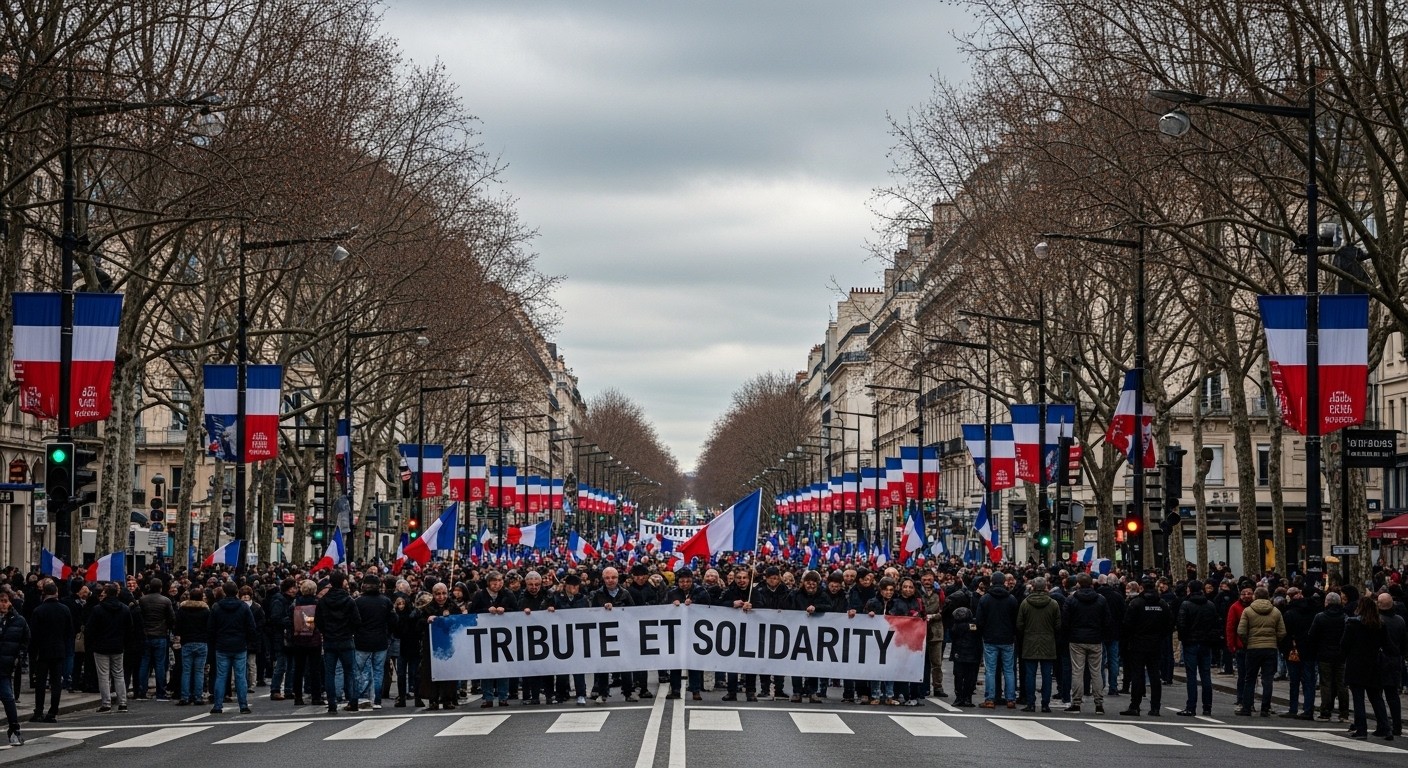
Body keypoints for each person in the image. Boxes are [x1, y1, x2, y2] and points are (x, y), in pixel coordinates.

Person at [1341, 595, 1397, 740]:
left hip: (1356, 664)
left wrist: (1342, 658)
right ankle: (1385, 727)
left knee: (1358, 699)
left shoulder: (1352, 624)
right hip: (1374, 663)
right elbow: (1387, 645)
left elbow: (1344, 645)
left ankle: (1361, 729)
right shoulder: (1380, 624)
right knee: (1376, 697)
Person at [1121, 578, 1171, 717]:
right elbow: (1169, 624)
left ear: (1141, 588)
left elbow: (1127, 624)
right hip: (1155, 644)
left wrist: (1131, 638)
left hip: (1138, 643)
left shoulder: (1136, 603)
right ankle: (1155, 707)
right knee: (1155, 675)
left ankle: (1135, 705)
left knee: (1137, 675)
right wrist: (1160, 637)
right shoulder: (1162, 604)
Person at [467, 570, 517, 708]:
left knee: (503, 667)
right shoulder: (479, 595)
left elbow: (516, 611)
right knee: (487, 667)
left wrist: (505, 610)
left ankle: (503, 696)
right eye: (495, 582)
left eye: (500, 581)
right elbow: (472, 613)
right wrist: (486, 611)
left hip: (504, 637)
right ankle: (487, 697)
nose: (498, 584)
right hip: (484, 637)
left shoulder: (507, 594)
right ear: (489, 583)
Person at [316, 571, 362, 714]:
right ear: (343, 583)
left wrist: (326, 631)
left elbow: (318, 621)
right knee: (351, 672)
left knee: (330, 673)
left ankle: (332, 702)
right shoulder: (349, 600)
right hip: (346, 639)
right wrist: (350, 631)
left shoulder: (323, 601)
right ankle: (353, 701)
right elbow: (357, 620)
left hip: (330, 640)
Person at [207, 582, 256, 715]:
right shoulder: (243, 607)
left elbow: (211, 628)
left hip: (222, 645)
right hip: (239, 644)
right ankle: (243, 705)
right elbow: (251, 626)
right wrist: (249, 640)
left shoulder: (216, 607)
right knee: (241, 676)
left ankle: (217, 705)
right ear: (237, 592)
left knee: (221, 676)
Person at [1062, 573, 1108, 715]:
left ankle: (1076, 702)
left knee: (1077, 671)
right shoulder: (1100, 600)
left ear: (1078, 584)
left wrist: (1069, 634)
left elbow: (1065, 621)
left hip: (1077, 639)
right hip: (1095, 638)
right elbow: (1107, 620)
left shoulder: (1071, 600)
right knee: (1096, 672)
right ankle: (1099, 703)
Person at [1236, 586, 1285, 717]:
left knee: (1250, 678)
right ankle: (1265, 708)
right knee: (1267, 679)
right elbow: (1282, 632)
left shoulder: (1248, 611)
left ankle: (1246, 707)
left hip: (1253, 648)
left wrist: (1247, 642)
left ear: (1254, 596)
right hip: (1270, 648)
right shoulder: (1275, 612)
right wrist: (1274, 642)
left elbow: (1241, 631)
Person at [1174, 579, 1219, 716]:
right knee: (1206, 675)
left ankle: (1191, 706)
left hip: (1191, 643)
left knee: (1191, 675)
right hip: (1205, 643)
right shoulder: (1210, 605)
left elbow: (1181, 624)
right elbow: (1215, 624)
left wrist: (1184, 638)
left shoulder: (1186, 604)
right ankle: (1207, 706)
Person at [85, 582, 131, 714]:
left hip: (101, 646)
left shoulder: (98, 609)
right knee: (119, 674)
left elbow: (90, 629)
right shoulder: (124, 609)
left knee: (104, 676)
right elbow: (129, 629)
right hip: (118, 645)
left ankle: (106, 703)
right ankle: (122, 702)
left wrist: (93, 642)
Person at [28, 581, 71, 722]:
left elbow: (33, 635)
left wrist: (32, 654)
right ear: (56, 593)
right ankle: (53, 712)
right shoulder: (65, 609)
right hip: (59, 649)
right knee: (56, 682)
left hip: (43, 651)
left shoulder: (38, 611)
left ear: (44, 593)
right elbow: (69, 631)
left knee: (41, 682)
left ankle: (38, 711)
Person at [664, 569, 709, 701]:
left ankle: (695, 690)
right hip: (677, 633)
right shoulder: (672, 593)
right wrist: (672, 605)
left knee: (693, 662)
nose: (685, 584)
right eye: (682, 581)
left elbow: (708, 604)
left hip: (695, 632)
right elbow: (662, 607)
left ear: (692, 580)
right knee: (675, 662)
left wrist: (694, 602)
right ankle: (675, 690)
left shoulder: (700, 591)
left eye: (688, 581)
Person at [1016, 576, 1059, 713]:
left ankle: (1030, 703)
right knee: (1047, 675)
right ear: (1046, 587)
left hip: (1030, 641)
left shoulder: (1025, 603)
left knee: (1030, 674)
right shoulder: (1053, 603)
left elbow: (1019, 624)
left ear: (1033, 587)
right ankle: (1045, 704)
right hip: (1048, 641)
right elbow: (1058, 625)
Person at [977, 570, 1019, 708]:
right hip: (1007, 638)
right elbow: (1016, 620)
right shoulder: (1011, 599)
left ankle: (990, 698)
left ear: (992, 582)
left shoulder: (985, 599)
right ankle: (1011, 698)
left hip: (990, 638)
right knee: (1009, 669)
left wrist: (983, 632)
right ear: (1004, 582)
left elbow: (980, 620)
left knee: (990, 670)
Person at [1307, 590, 1350, 722]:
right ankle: (1344, 712)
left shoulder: (1320, 617)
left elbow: (1312, 635)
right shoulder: (1345, 617)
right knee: (1342, 684)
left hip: (1324, 654)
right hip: (1341, 655)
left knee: (1326, 683)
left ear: (1327, 602)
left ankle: (1325, 711)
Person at [353, 576, 394, 710]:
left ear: (364, 586)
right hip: (380, 640)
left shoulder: (358, 602)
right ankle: (377, 700)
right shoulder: (385, 601)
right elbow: (393, 619)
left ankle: (356, 697)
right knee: (378, 671)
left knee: (358, 670)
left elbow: (354, 620)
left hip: (362, 640)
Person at [548, 574, 591, 706]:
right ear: (566, 586)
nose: (574, 588)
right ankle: (560, 694)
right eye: (571, 586)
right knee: (562, 668)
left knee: (578, 668)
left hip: (578, 637)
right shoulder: (556, 597)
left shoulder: (583, 599)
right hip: (561, 637)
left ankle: (581, 694)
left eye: (576, 586)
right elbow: (545, 608)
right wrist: (549, 608)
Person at [1279, 587, 1318, 721]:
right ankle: (1308, 709)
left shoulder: (1289, 613)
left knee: (1294, 681)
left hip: (1293, 650)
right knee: (1309, 681)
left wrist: (1285, 648)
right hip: (1310, 649)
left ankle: (1293, 708)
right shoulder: (1313, 611)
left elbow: (1284, 633)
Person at [135, 578, 175, 701]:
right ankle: (160, 692)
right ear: (161, 588)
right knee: (160, 665)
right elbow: (172, 618)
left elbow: (139, 617)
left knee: (145, 664)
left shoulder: (143, 600)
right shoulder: (166, 601)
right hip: (160, 635)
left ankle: (142, 691)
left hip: (146, 635)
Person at [0, 589, 29, 745]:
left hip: (5, 667)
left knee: (8, 698)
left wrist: (19, 657)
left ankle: (15, 730)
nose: (4, 604)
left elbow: (26, 639)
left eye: (6, 601)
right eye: (2, 601)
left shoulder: (18, 620)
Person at [173, 588, 210, 706]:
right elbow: (209, 627)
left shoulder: (183, 610)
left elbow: (177, 626)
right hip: (201, 642)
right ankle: (198, 697)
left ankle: (185, 696)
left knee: (186, 671)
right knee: (199, 671)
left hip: (187, 642)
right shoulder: (205, 611)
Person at [1374, 592, 1405, 738]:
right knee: (1393, 695)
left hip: (1379, 660)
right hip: (1394, 660)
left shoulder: (1377, 621)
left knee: (1377, 694)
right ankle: (1397, 726)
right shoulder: (1400, 620)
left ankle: (1383, 724)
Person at [948, 605, 982, 707]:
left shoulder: (956, 627)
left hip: (959, 654)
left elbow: (952, 636)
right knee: (970, 677)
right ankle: (968, 698)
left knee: (958, 676)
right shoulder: (974, 625)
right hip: (973, 655)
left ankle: (959, 697)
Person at [919, 570, 946, 698]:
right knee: (921, 662)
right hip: (920, 632)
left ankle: (938, 686)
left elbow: (945, 610)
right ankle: (923, 687)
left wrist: (934, 616)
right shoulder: (917, 593)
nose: (927, 582)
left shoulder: (940, 593)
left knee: (937, 662)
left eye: (929, 580)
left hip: (936, 631)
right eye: (924, 580)